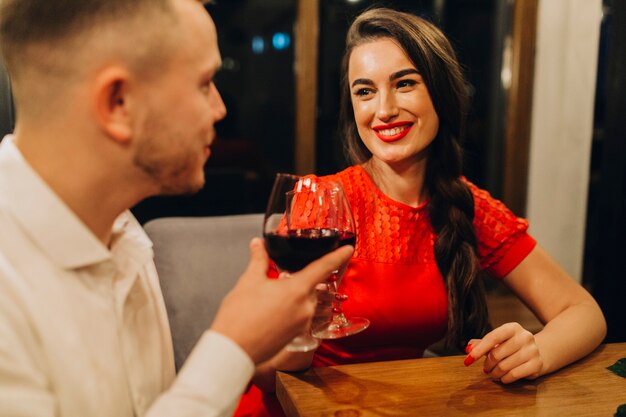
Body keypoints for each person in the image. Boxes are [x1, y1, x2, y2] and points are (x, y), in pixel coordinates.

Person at [234, 7, 607, 416]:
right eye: (365, 91)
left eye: (405, 83)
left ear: (441, 94)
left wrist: (536, 351)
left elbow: (584, 313)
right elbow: (262, 371)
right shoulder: (322, 202)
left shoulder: (469, 205)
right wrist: (301, 334)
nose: (384, 109)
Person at [0, 0, 353, 416]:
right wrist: (232, 343)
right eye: (204, 83)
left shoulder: (123, 232)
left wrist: (264, 340)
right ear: (118, 103)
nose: (220, 109)